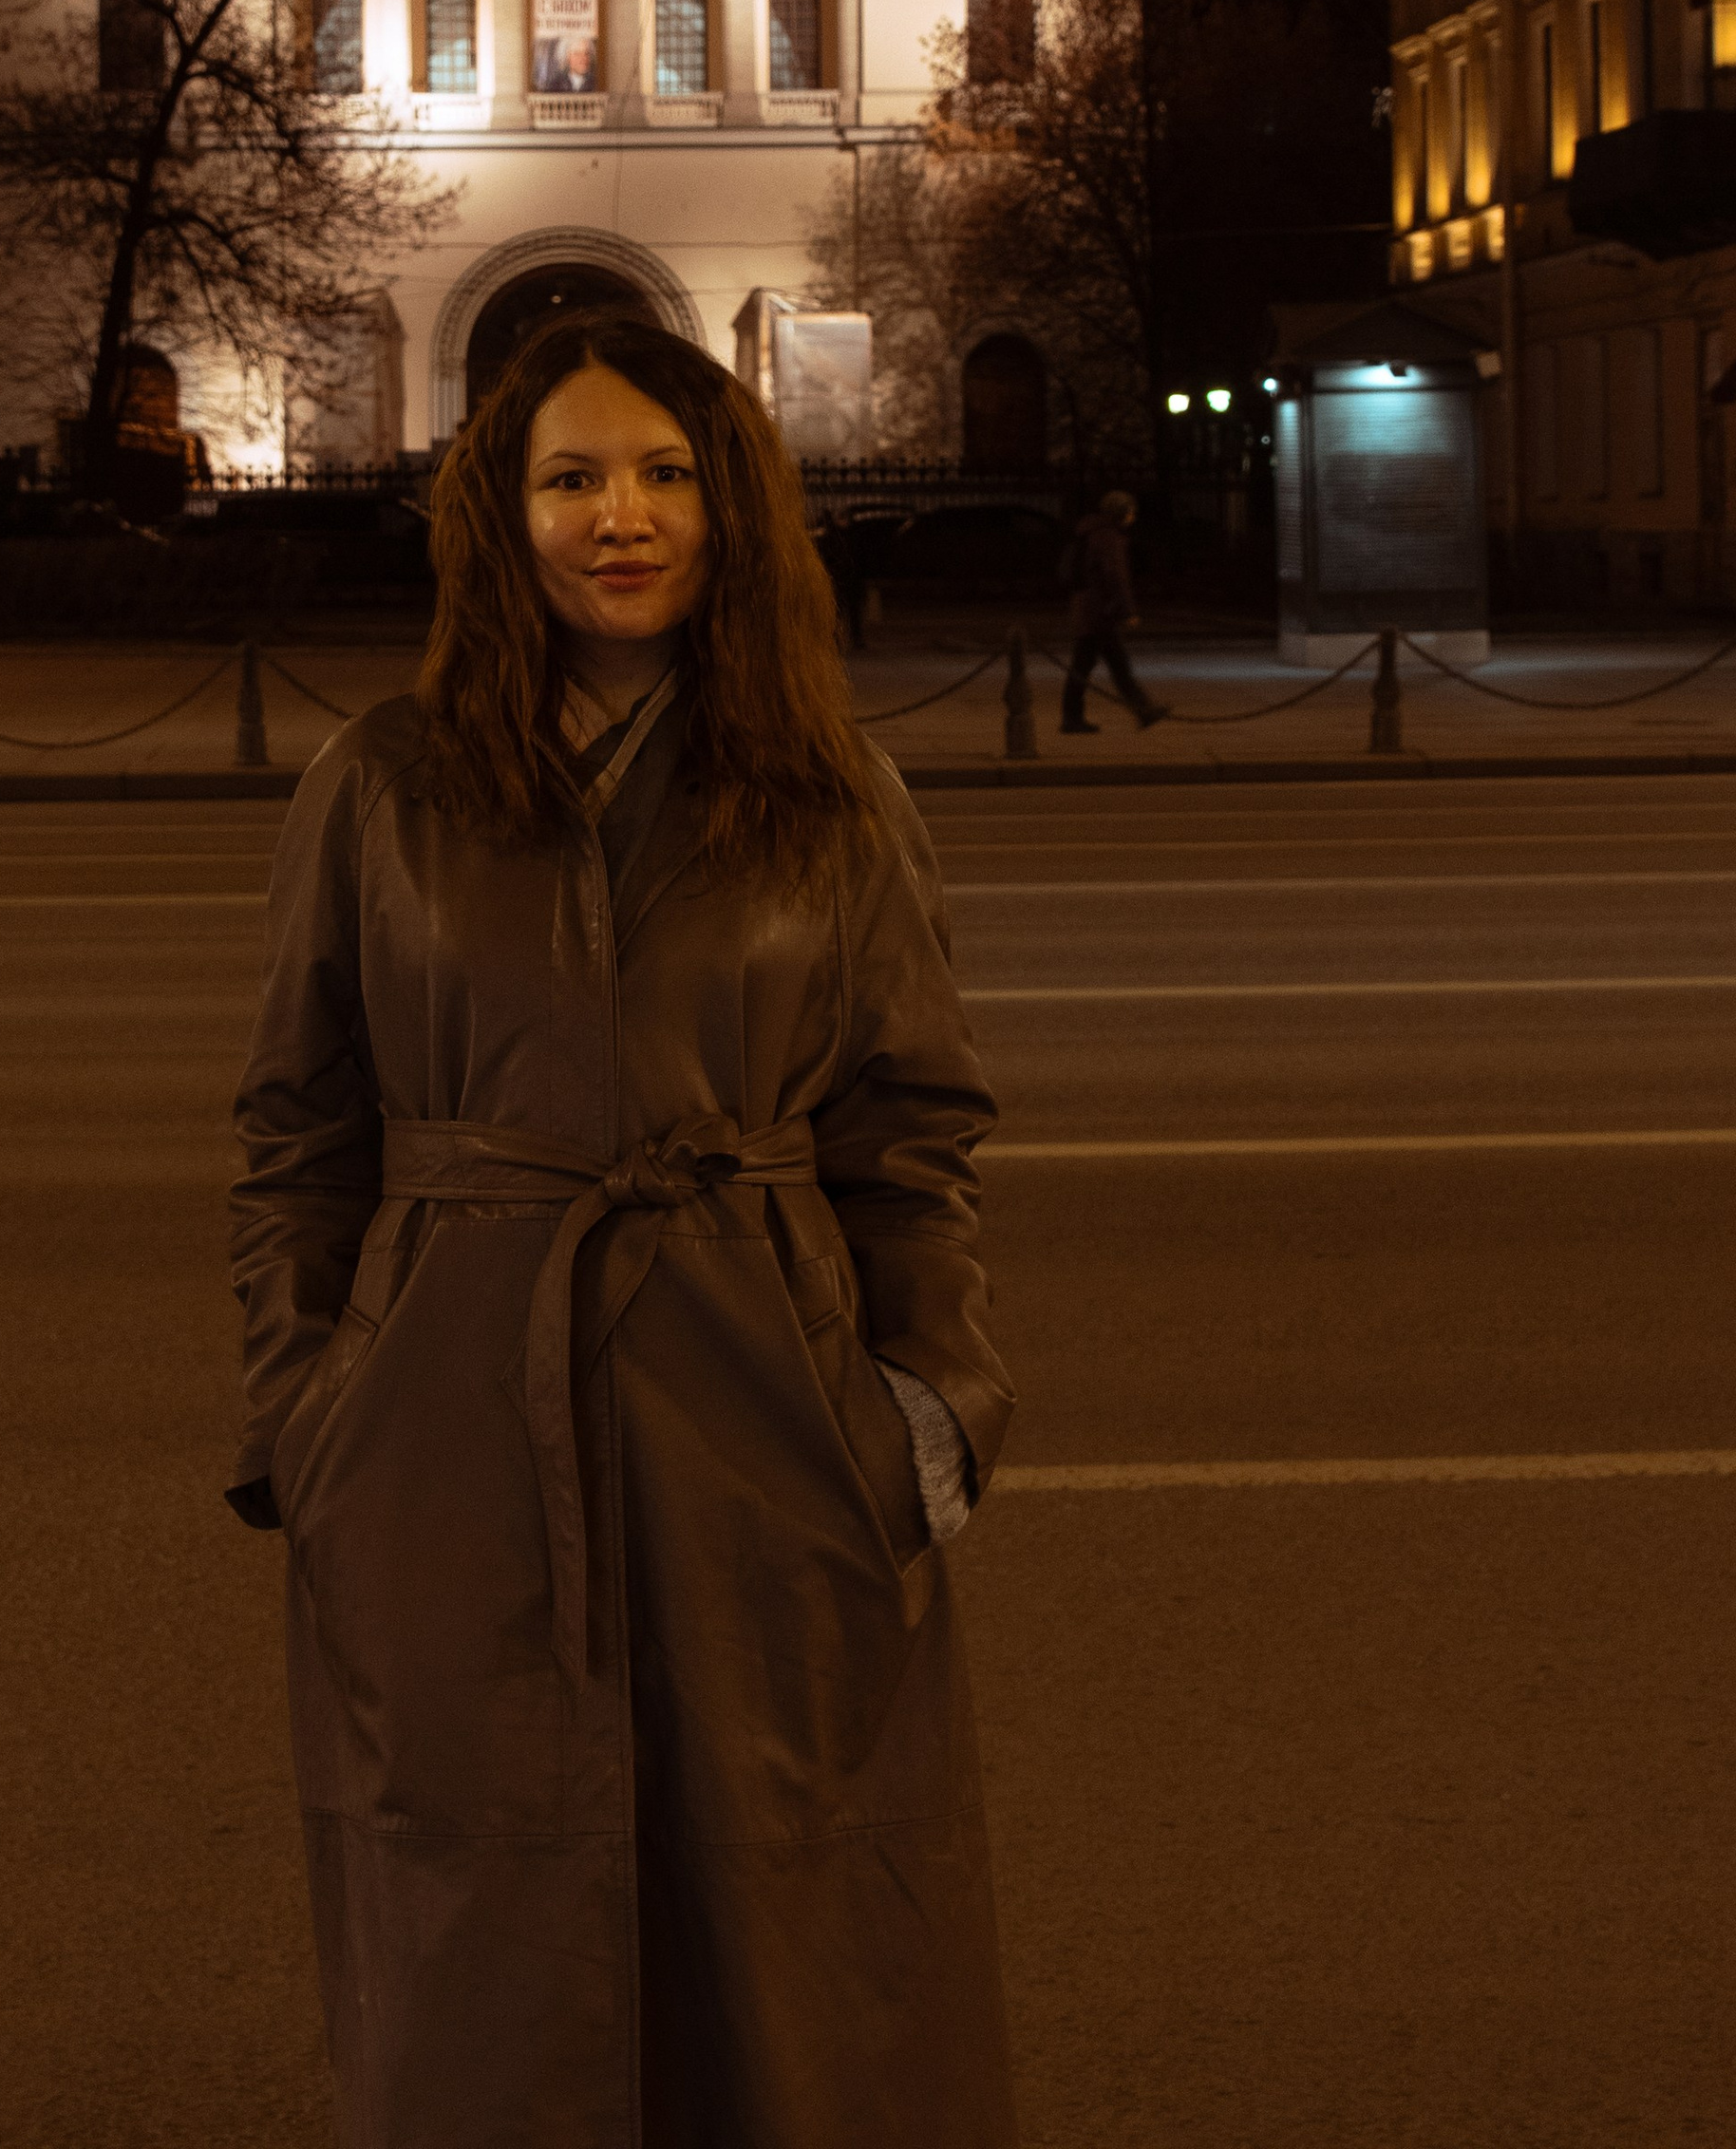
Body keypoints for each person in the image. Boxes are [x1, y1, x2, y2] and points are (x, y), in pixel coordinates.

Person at [229, 313, 1019, 2149]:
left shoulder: (830, 798)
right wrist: (307, 1413)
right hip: (447, 1426)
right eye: (570, 476)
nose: (621, 518)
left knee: (795, 1927)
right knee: (479, 1925)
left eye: (666, 473)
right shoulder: (386, 784)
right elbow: (297, 1126)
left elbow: (912, 1133)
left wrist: (925, 1414)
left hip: (770, 1415)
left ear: (731, 510)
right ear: (496, 519)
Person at [1059, 485, 1170, 734]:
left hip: (1089, 609)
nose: (1134, 516)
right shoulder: (1108, 538)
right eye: (1131, 511)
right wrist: (1128, 611)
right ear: (1121, 513)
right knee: (1105, 666)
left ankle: (1140, 710)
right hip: (1100, 612)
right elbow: (1116, 578)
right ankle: (1140, 710)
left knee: (1098, 665)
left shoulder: (1092, 532)